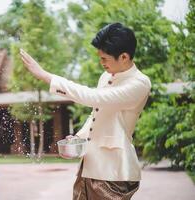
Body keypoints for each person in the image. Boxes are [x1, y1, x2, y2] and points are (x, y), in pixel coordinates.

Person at [20, 22, 151, 200]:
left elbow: (93, 97)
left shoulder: (139, 83)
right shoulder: (106, 76)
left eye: (105, 58)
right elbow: (96, 113)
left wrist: (46, 76)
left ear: (124, 57)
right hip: (90, 164)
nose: (101, 63)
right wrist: (79, 138)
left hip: (113, 171)